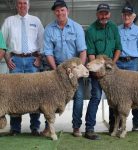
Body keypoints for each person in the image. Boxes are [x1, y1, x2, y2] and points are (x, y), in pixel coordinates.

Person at [42, 0, 87, 137]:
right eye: (57, 10)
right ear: (54, 12)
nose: (60, 13)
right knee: (49, 98)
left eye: (62, 10)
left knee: (78, 96)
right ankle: (48, 127)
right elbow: (48, 52)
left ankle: (76, 127)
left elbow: (82, 51)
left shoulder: (76, 27)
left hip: (74, 68)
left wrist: (78, 70)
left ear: (67, 11)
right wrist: (56, 70)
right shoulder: (49, 29)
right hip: (57, 67)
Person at [1, 0, 44, 136]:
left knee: (34, 94)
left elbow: (42, 41)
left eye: (24, 3)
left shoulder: (36, 20)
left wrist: (39, 58)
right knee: (15, 95)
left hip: (32, 61)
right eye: (19, 3)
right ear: (16, 5)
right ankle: (15, 128)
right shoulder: (9, 21)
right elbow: (3, 41)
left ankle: (35, 128)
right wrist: (7, 59)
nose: (22, 6)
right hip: (16, 60)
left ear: (29, 5)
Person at [85, 3, 122, 140]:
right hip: (97, 69)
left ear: (109, 14)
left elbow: (118, 47)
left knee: (113, 98)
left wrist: (113, 64)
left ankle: (114, 126)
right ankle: (89, 128)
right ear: (97, 14)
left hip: (111, 69)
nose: (104, 16)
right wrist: (97, 70)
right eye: (101, 13)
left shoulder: (113, 27)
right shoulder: (90, 30)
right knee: (95, 96)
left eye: (106, 13)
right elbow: (91, 53)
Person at [115, 4, 138, 132]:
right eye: (124, 14)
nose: (126, 16)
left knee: (136, 93)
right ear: (122, 16)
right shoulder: (116, 30)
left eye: (129, 14)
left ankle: (136, 124)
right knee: (117, 95)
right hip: (118, 64)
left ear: (133, 16)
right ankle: (117, 124)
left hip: (133, 63)